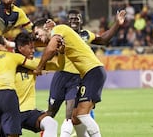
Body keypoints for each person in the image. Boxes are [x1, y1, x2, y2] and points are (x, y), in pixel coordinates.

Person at [42, 9, 126, 137]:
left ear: (81, 20)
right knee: (53, 112)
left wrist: (117, 24)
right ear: (67, 21)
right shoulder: (60, 33)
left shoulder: (85, 35)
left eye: (77, 18)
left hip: (78, 78)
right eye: (71, 18)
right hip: (62, 74)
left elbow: (103, 39)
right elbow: (46, 43)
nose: (74, 20)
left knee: (74, 115)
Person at [34, 20, 107, 137]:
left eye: (37, 32)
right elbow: (60, 64)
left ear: (46, 27)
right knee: (75, 115)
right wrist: (62, 53)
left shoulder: (59, 29)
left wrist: (39, 67)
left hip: (93, 71)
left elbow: (50, 49)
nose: (38, 37)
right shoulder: (62, 39)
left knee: (82, 115)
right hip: (88, 73)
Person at [14, 32, 61, 137]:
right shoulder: (9, 61)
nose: (33, 50)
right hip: (10, 112)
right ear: (20, 48)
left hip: (28, 111)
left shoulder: (35, 63)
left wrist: (60, 51)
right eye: (30, 48)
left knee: (51, 124)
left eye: (33, 47)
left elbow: (58, 66)